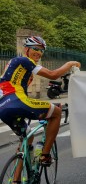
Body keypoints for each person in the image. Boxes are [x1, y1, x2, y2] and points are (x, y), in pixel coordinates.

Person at [0, 36, 81, 167]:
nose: (39, 52)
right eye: (35, 49)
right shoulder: (24, 60)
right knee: (56, 113)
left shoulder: (14, 65)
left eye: (41, 50)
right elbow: (53, 74)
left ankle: (16, 180)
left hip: (3, 108)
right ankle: (44, 155)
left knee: (27, 139)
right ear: (26, 49)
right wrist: (69, 64)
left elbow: (24, 98)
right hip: (17, 101)